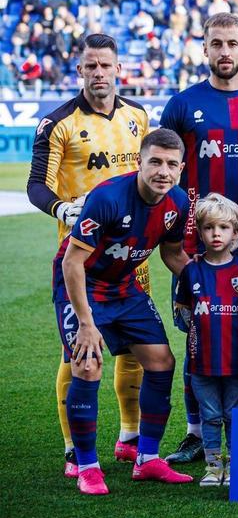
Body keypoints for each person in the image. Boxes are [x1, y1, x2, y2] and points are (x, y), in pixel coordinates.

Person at [159, 12, 238, 465]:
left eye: (232, 43)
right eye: (217, 44)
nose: (225, 52)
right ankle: (197, 433)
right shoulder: (181, 105)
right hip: (198, 248)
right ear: (205, 49)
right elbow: (166, 171)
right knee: (200, 338)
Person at [27, 33, 149, 477]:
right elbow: (37, 184)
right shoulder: (57, 122)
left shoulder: (138, 116)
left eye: (106, 65)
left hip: (134, 255)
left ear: (118, 69)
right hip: (83, 258)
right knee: (80, 351)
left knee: (135, 351)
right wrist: (61, 207)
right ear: (79, 70)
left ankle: (130, 438)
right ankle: (72, 449)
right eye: (90, 66)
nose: (99, 73)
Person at [54, 128, 193, 495]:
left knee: (162, 361)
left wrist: (208, 286)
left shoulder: (178, 202)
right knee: (87, 362)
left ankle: (146, 460)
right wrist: (86, 324)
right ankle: (86, 466)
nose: (163, 171)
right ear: (139, 162)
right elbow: (72, 263)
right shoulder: (108, 198)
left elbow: (173, 254)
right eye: (155, 162)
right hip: (82, 283)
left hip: (124, 286)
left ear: (181, 168)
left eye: (171, 164)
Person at [172, 194, 238, 487]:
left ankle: (236, 465)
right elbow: (186, 311)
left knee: (233, 415)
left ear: (236, 232)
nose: (216, 234)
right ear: (199, 232)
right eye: (209, 228)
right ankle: (213, 467)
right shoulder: (192, 270)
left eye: (224, 228)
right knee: (211, 415)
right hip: (202, 362)